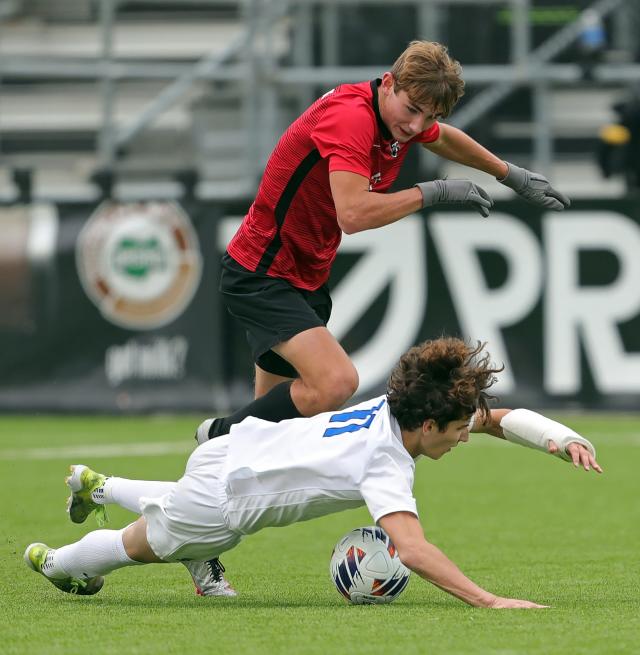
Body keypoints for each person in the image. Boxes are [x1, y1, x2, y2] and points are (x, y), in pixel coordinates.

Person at [24, 337, 601, 608]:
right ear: (428, 425)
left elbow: (496, 419)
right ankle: (54, 562)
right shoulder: (385, 463)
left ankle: (100, 484)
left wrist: (561, 439)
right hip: (221, 504)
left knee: (175, 507)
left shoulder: (391, 406)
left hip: (233, 451)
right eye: (455, 432)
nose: (462, 438)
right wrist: (490, 601)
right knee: (141, 546)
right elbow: (414, 551)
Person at [199, 39, 571, 446]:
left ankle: (209, 472)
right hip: (262, 271)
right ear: (389, 83)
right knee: (336, 383)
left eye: (427, 115)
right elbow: (354, 214)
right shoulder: (351, 118)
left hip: (305, 277)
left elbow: (440, 137)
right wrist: (433, 192)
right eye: (412, 110)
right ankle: (219, 435)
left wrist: (508, 174)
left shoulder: (397, 116)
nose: (415, 126)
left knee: (266, 441)